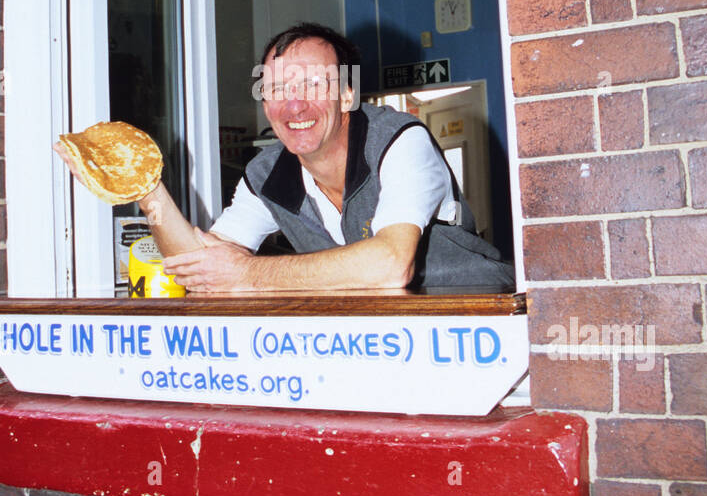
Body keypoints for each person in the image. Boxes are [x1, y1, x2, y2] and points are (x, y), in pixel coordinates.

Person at [131, 22, 514, 294]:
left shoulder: (400, 140)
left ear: (347, 96)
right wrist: (147, 191)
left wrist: (248, 272)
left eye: (313, 84)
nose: (294, 105)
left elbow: (391, 266)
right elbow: (199, 268)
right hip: (377, 337)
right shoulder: (266, 175)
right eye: (278, 88)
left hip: (476, 325)